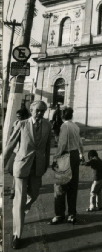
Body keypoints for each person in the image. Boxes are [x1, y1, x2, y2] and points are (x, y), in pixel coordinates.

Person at [4, 100, 51, 250]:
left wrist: (46, 164)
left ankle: (20, 212)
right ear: (31, 110)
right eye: (37, 111)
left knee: (35, 194)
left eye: (43, 111)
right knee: (19, 199)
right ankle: (17, 235)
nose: (40, 114)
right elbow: (10, 146)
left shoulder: (47, 125)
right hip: (22, 167)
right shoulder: (22, 124)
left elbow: (48, 147)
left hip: (37, 168)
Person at [49, 107, 84, 225]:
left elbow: (62, 144)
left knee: (60, 186)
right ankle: (72, 214)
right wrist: (81, 154)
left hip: (65, 155)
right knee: (73, 185)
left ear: (62, 116)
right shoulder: (75, 126)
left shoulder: (64, 127)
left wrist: (55, 158)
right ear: (72, 115)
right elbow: (80, 142)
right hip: (74, 155)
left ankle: (59, 215)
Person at [7, 109, 32, 200]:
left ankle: (14, 190)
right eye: (18, 117)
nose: (19, 119)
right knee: (11, 170)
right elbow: (11, 136)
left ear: (26, 117)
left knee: (19, 172)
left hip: (24, 152)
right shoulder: (16, 123)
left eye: (20, 117)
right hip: (15, 150)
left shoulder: (28, 125)